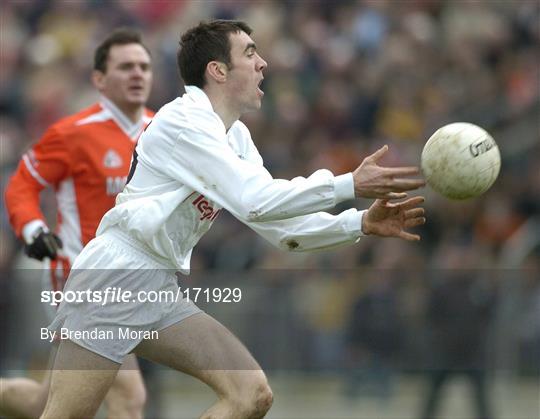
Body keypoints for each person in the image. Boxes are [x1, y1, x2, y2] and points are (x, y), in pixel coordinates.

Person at [40, 20, 426, 419]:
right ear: (217, 70)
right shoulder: (184, 122)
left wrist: (357, 223)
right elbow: (256, 202)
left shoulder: (236, 136)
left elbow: (281, 229)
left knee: (251, 395)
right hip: (114, 278)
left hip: (157, 285)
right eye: (249, 52)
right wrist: (348, 183)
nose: (262, 63)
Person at [2, 28, 153, 419]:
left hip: (132, 283)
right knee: (128, 394)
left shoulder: (163, 132)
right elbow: (22, 185)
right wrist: (33, 230)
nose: (137, 74)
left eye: (144, 66)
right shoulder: (72, 134)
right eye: (125, 67)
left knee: (45, 402)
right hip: (79, 278)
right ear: (99, 79)